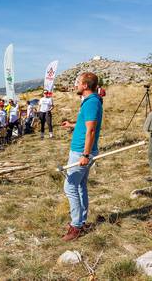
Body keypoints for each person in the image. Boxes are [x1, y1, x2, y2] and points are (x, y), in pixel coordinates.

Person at [60, 72, 103, 241]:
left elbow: (91, 130)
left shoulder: (91, 102)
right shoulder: (89, 102)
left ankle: (76, 225)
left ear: (85, 85)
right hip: (80, 150)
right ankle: (81, 221)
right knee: (79, 186)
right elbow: (86, 125)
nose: (76, 85)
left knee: (70, 186)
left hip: (81, 152)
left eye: (78, 82)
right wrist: (71, 125)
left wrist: (85, 154)